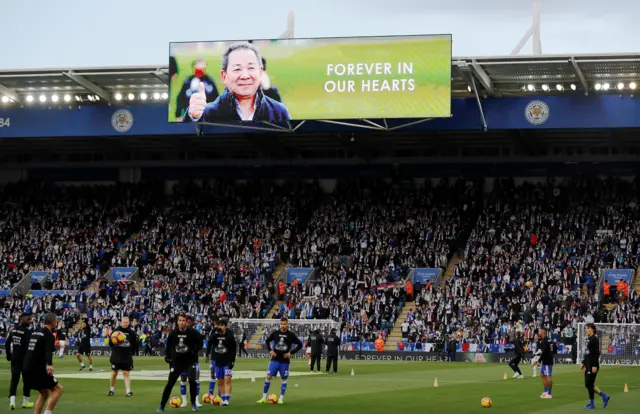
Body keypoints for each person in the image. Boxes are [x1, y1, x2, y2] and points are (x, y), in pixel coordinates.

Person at [184, 42, 291, 123]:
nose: (245, 76)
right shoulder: (209, 113)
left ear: (261, 71)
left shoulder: (279, 111)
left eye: (251, 68)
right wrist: (193, 116)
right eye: (237, 69)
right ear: (224, 76)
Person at [158, 313, 202, 412]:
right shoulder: (173, 333)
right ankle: (162, 405)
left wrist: (194, 350)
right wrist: (167, 356)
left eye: (183, 320)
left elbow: (200, 342)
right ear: (177, 322)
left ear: (186, 322)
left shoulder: (193, 333)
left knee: (192, 381)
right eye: (180, 320)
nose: (182, 322)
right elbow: (169, 346)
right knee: (170, 383)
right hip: (177, 363)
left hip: (190, 362)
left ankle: (193, 403)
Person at [22, 313, 64, 414]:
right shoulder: (49, 334)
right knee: (58, 389)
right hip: (37, 368)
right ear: (53, 322)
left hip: (26, 368)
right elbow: (48, 351)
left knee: (44, 393)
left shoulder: (36, 332)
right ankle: (47, 413)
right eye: (56, 321)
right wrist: (49, 365)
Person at [257, 318, 303, 405]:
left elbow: (300, 344)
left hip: (284, 361)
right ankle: (263, 398)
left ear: (287, 324)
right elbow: (267, 341)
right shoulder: (276, 333)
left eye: (285, 324)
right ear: (280, 324)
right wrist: (270, 350)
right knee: (268, 377)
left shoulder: (290, 335)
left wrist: (291, 353)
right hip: (274, 360)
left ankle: (281, 398)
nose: (283, 325)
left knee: (284, 379)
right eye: (281, 324)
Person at [6, 313, 34, 410]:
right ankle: (25, 402)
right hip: (25, 359)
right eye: (28, 319)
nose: (30, 321)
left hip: (15, 358)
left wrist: (9, 356)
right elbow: (30, 348)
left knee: (14, 380)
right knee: (27, 381)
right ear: (22, 319)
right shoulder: (27, 332)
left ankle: (12, 402)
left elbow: (7, 343)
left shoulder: (13, 330)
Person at [207, 318, 236, 406]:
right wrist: (216, 334)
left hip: (227, 360)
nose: (221, 327)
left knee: (227, 379)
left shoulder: (230, 335)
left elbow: (233, 349)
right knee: (220, 381)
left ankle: (227, 399)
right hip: (217, 360)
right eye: (220, 325)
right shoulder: (215, 333)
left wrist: (232, 361)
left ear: (226, 326)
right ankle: (223, 399)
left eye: (223, 325)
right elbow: (210, 342)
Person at [581, 323, 610, 409]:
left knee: (588, 384)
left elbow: (596, 353)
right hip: (588, 364)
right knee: (589, 384)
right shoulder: (588, 339)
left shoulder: (594, 339)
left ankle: (602, 397)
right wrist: (583, 362)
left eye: (588, 328)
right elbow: (587, 352)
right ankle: (597, 400)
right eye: (586, 328)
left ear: (592, 329)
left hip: (592, 365)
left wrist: (594, 365)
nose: (586, 330)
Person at [108, 316, 138, 397]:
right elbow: (110, 343)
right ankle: (111, 390)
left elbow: (135, 344)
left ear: (129, 323)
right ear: (121, 322)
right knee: (114, 373)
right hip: (116, 355)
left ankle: (128, 391)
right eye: (124, 322)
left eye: (127, 322)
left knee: (126, 373)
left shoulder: (132, 332)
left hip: (126, 356)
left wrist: (132, 352)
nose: (126, 324)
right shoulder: (115, 331)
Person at [179, 315, 203, 408]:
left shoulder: (195, 333)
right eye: (186, 322)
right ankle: (184, 401)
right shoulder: (179, 333)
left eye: (189, 322)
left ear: (192, 323)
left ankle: (196, 400)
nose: (187, 323)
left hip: (193, 361)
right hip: (182, 361)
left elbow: (200, 343)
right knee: (183, 379)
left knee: (196, 380)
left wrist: (194, 350)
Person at [539, 328, 557, 399]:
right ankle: (545, 391)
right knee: (542, 375)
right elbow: (555, 348)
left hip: (547, 361)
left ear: (543, 331)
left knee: (548, 376)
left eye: (540, 331)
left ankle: (549, 394)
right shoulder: (548, 340)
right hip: (546, 360)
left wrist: (539, 360)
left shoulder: (545, 340)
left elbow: (544, 351)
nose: (539, 332)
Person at [205, 317, 219, 398]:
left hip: (222, 357)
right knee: (212, 374)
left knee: (221, 376)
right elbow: (210, 343)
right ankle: (210, 394)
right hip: (214, 356)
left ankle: (221, 395)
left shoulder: (227, 332)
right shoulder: (214, 331)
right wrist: (207, 354)